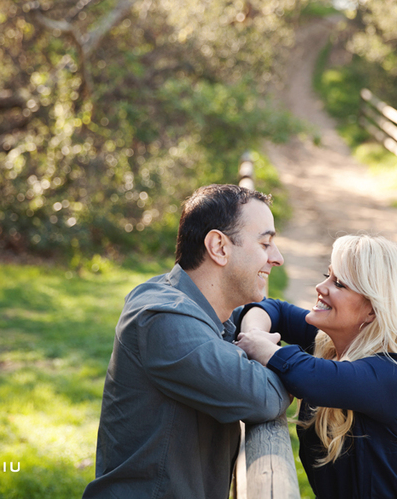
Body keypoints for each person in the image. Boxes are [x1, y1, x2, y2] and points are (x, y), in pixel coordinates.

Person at [82, 184, 291, 499]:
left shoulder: (203, 308)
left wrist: (258, 339)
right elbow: (264, 396)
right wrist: (278, 359)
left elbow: (272, 314)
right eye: (265, 244)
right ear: (219, 247)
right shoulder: (164, 320)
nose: (277, 258)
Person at [235, 234, 397, 499]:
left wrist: (264, 349)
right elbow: (273, 309)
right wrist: (254, 335)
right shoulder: (331, 343)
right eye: (328, 275)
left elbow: (311, 378)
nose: (321, 287)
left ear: (372, 310)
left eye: (339, 284)